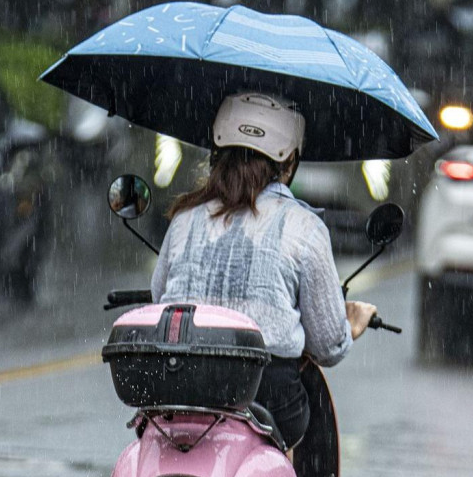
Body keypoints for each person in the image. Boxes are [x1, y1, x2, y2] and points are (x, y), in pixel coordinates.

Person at [150, 92, 377, 451]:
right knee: (300, 422)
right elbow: (328, 347)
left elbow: (158, 299)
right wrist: (350, 325)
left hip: (178, 388)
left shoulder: (184, 220)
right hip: (266, 398)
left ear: (216, 152)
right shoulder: (304, 227)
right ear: (289, 163)